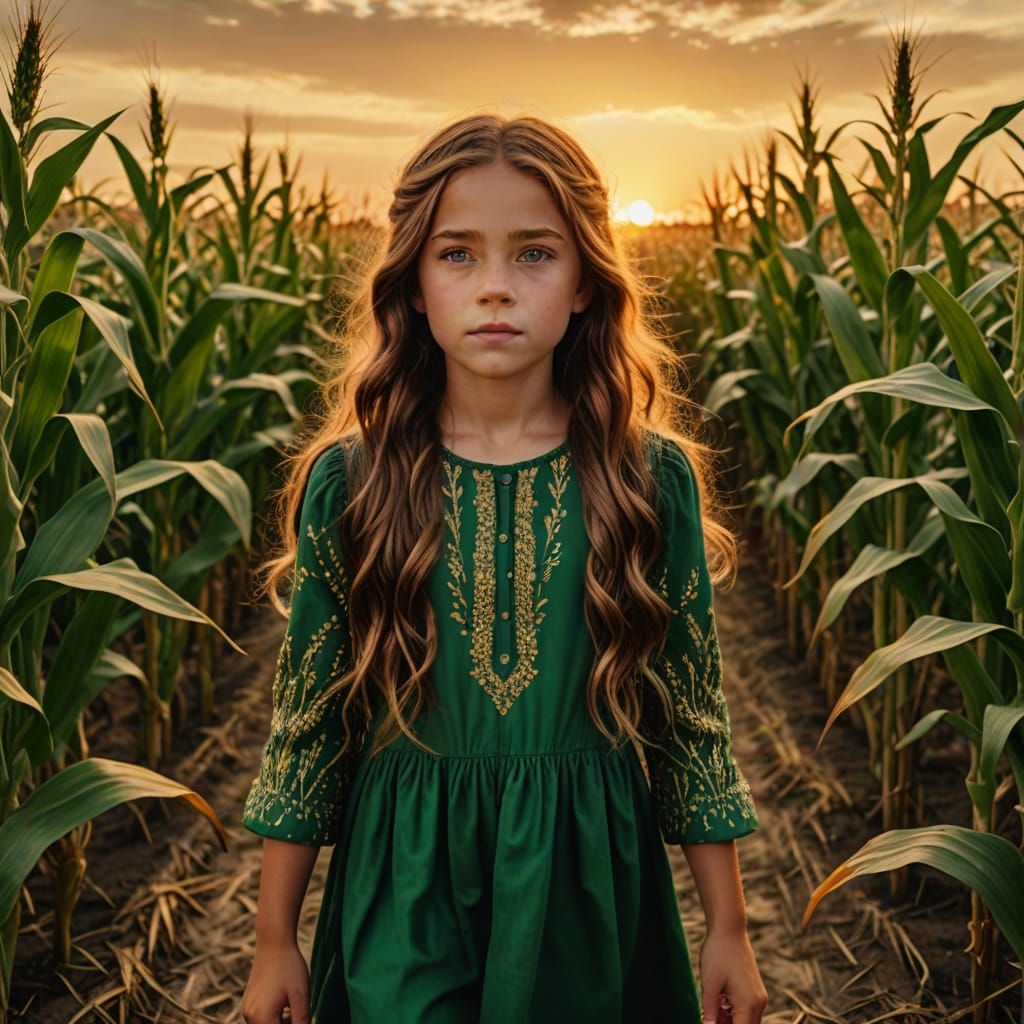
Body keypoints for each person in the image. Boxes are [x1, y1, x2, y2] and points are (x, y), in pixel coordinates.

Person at [240, 112, 766, 1024]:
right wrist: (272, 941)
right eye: (457, 256)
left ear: (586, 286)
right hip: (404, 883)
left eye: (533, 254)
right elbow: (308, 725)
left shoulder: (646, 479)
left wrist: (730, 927)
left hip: (585, 881)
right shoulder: (356, 480)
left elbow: (690, 717)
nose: (495, 288)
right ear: (410, 285)